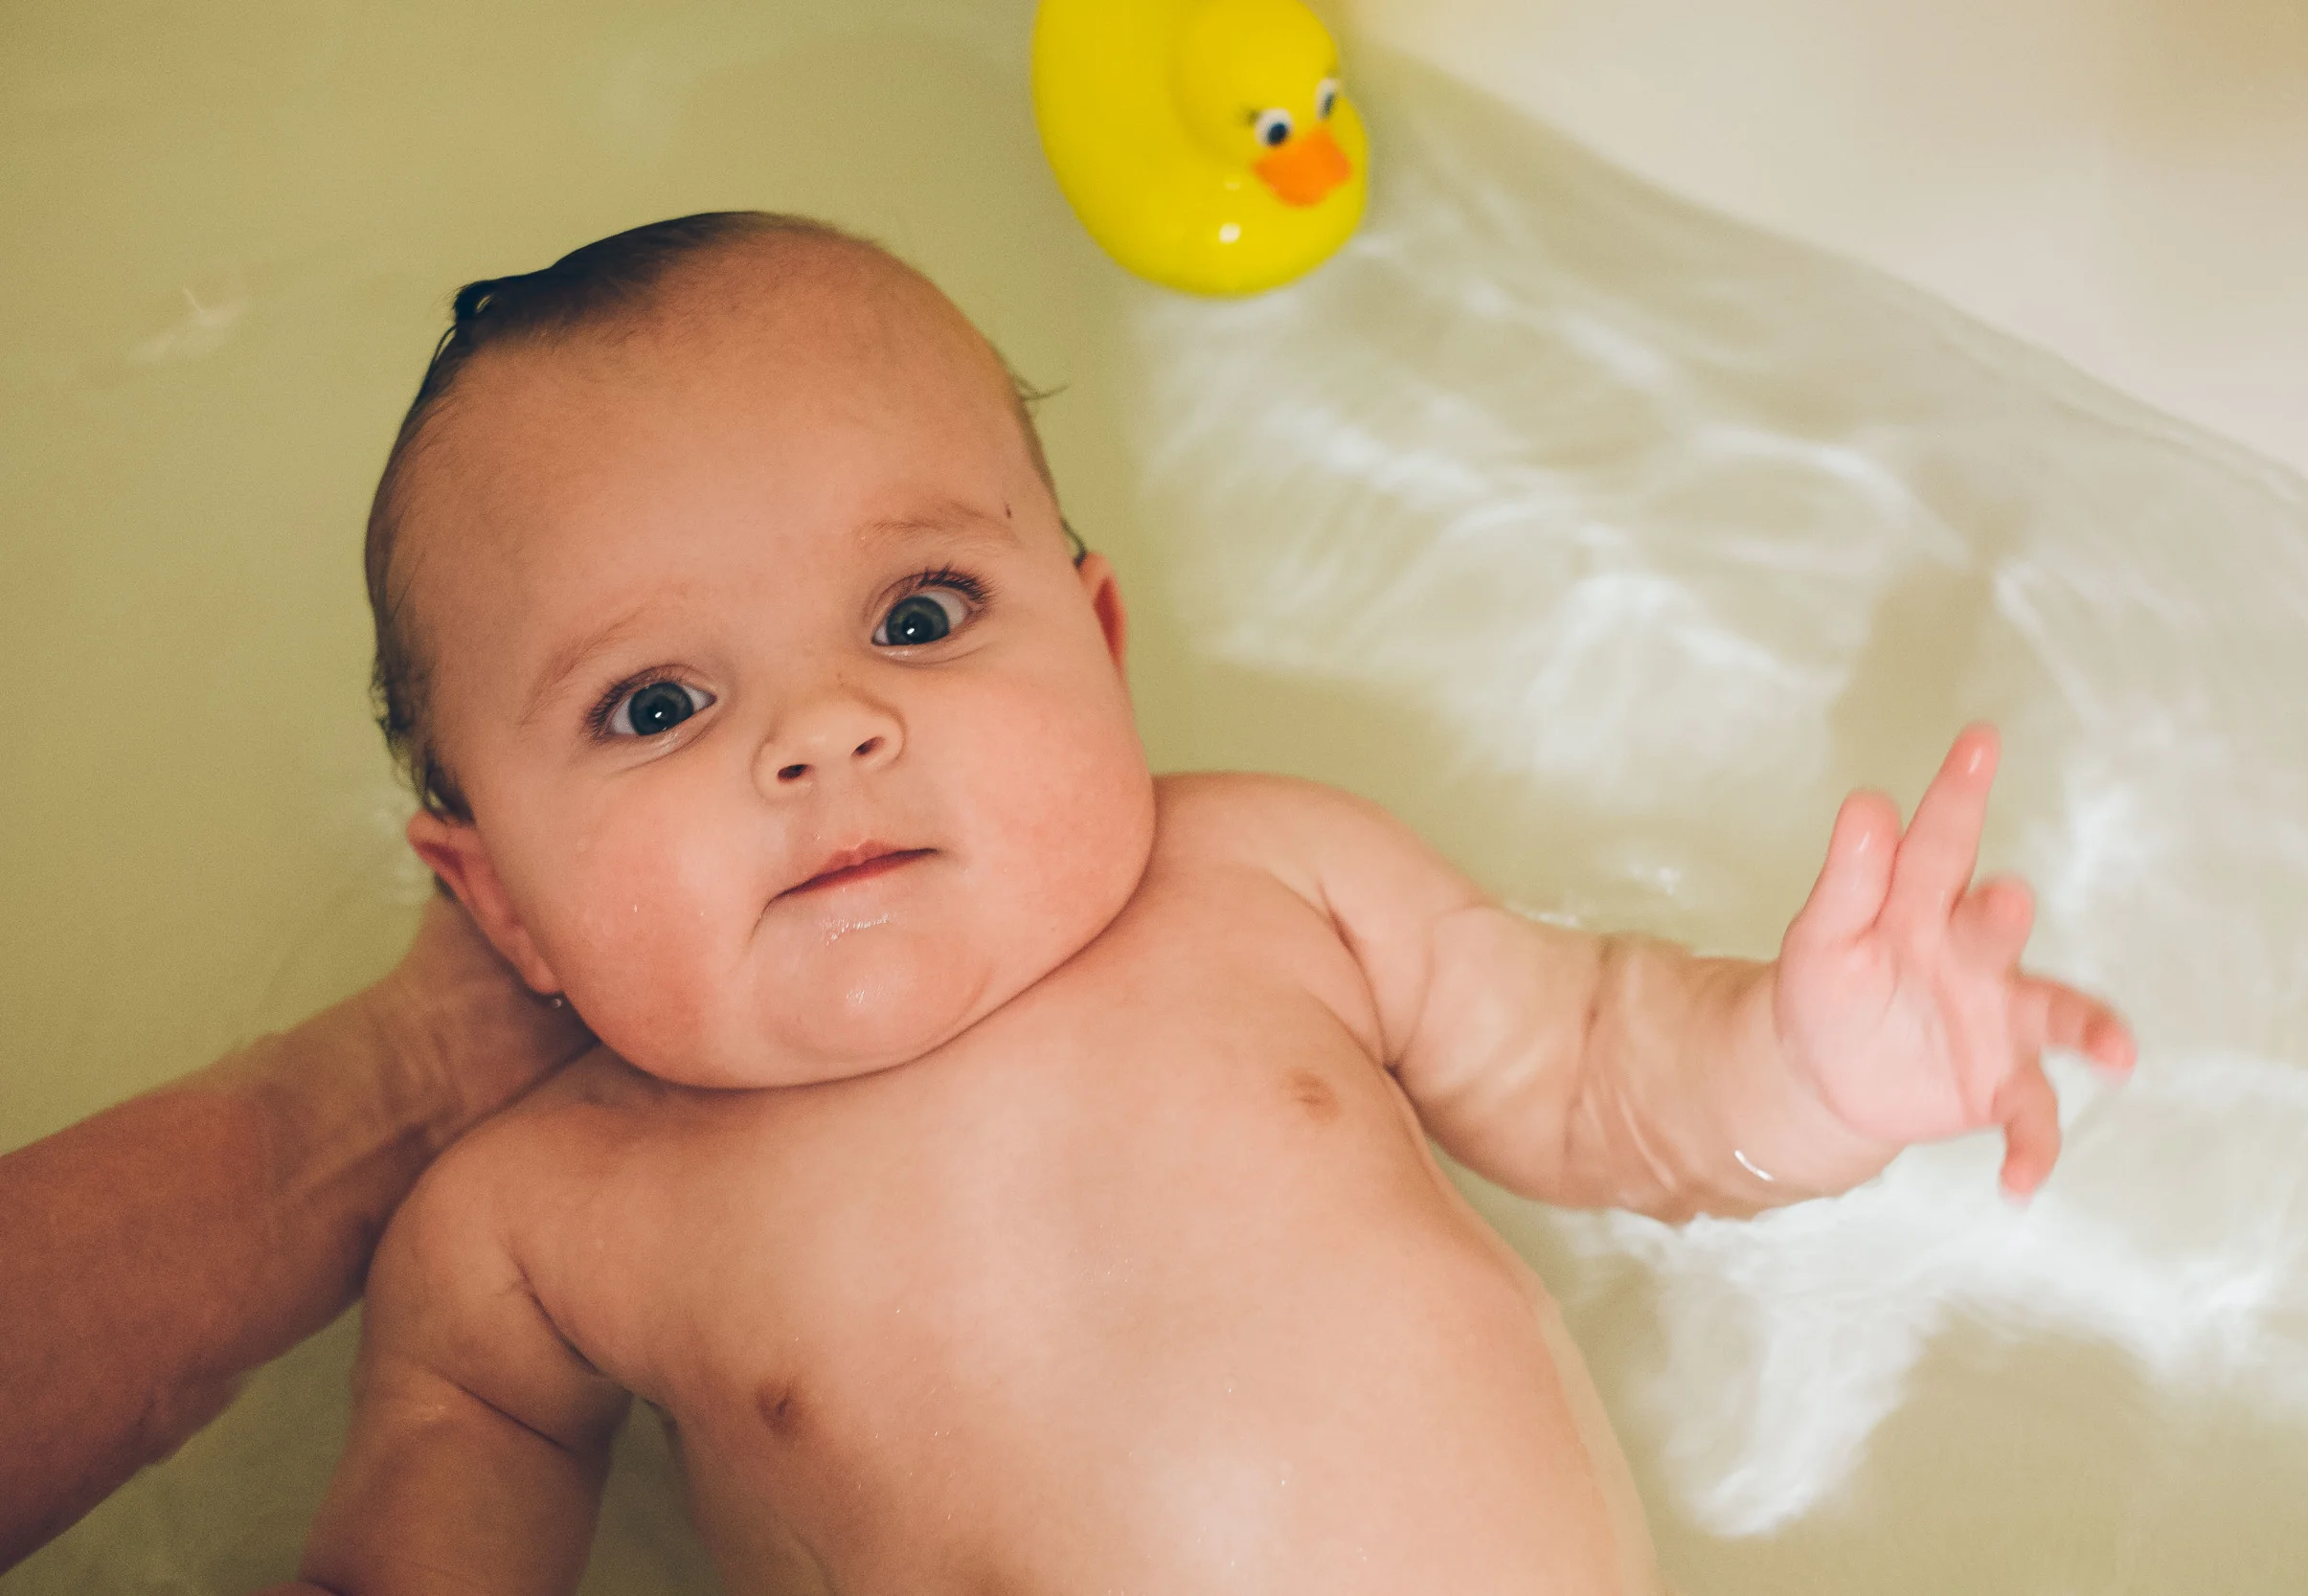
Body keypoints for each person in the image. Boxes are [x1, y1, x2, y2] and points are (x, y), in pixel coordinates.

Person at [279, 211, 2136, 1594]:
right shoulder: (533, 1216)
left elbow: (1602, 1077)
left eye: (917, 614)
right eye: (658, 703)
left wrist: (1807, 1060)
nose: (826, 729)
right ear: (496, 892)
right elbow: (447, 1473)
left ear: (1093, 638)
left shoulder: (1266, 875)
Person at [0, 892, 591, 1571]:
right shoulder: (522, 1218)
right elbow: (487, 1416)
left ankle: (419, 1074)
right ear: (499, 899)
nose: (747, 777)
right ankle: (417, 1075)